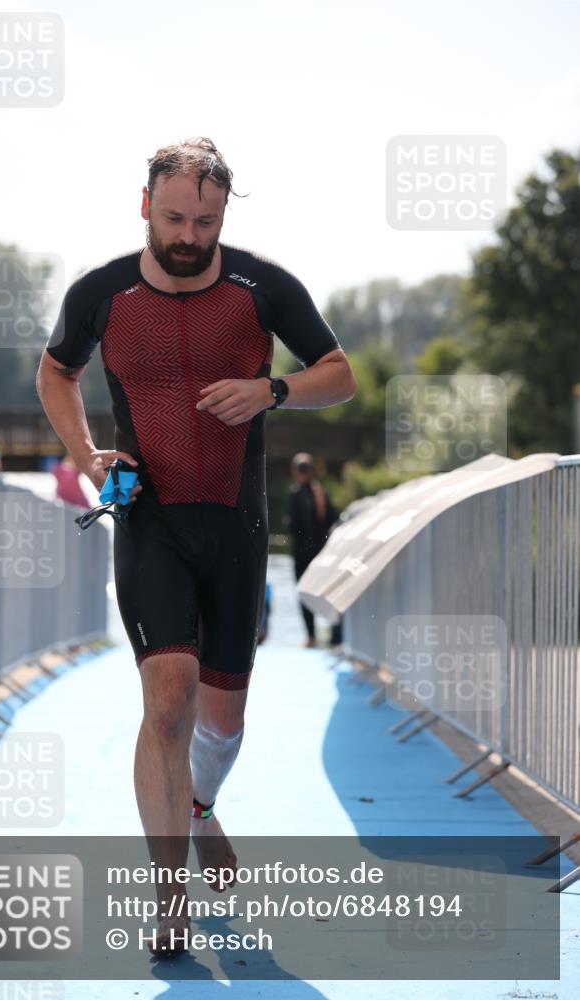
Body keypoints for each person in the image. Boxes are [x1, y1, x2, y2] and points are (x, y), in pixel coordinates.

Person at [36, 137, 356, 954]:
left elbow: (338, 372)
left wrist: (270, 390)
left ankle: (203, 806)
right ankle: (166, 900)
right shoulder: (101, 293)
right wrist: (86, 456)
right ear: (144, 204)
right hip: (150, 521)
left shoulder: (262, 287)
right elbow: (56, 373)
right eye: (174, 216)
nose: (188, 235)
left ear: (224, 214)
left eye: (204, 221)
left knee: (223, 723)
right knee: (168, 708)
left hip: (236, 529)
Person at [287, 452, 343, 648]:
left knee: (305, 593)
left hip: (304, 554)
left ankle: (312, 636)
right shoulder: (321, 492)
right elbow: (332, 521)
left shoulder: (297, 494)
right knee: (329, 592)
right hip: (322, 553)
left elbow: (293, 526)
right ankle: (336, 635)